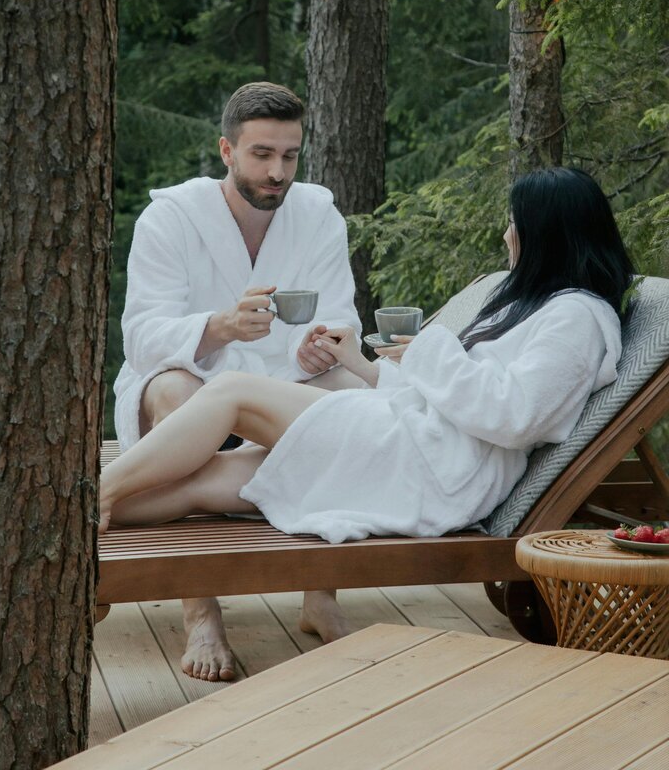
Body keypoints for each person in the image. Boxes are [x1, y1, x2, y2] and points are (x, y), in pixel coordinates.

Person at [101, 167, 634, 632]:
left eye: (516, 222)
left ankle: (97, 491)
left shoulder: (577, 320)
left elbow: (513, 417)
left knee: (233, 393)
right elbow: (461, 395)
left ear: (547, 233)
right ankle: (78, 518)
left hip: (435, 465)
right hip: (419, 444)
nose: (507, 233)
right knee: (198, 483)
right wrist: (360, 362)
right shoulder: (547, 307)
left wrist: (432, 346)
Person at [113, 81, 362, 681]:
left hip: (282, 384)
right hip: (187, 379)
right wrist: (218, 328)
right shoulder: (170, 218)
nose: (278, 172)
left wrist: (316, 352)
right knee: (175, 392)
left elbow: (344, 319)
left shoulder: (317, 215)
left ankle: (320, 594)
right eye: (261, 155)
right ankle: (200, 610)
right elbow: (140, 335)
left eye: (289, 156)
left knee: (351, 403)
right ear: (226, 150)